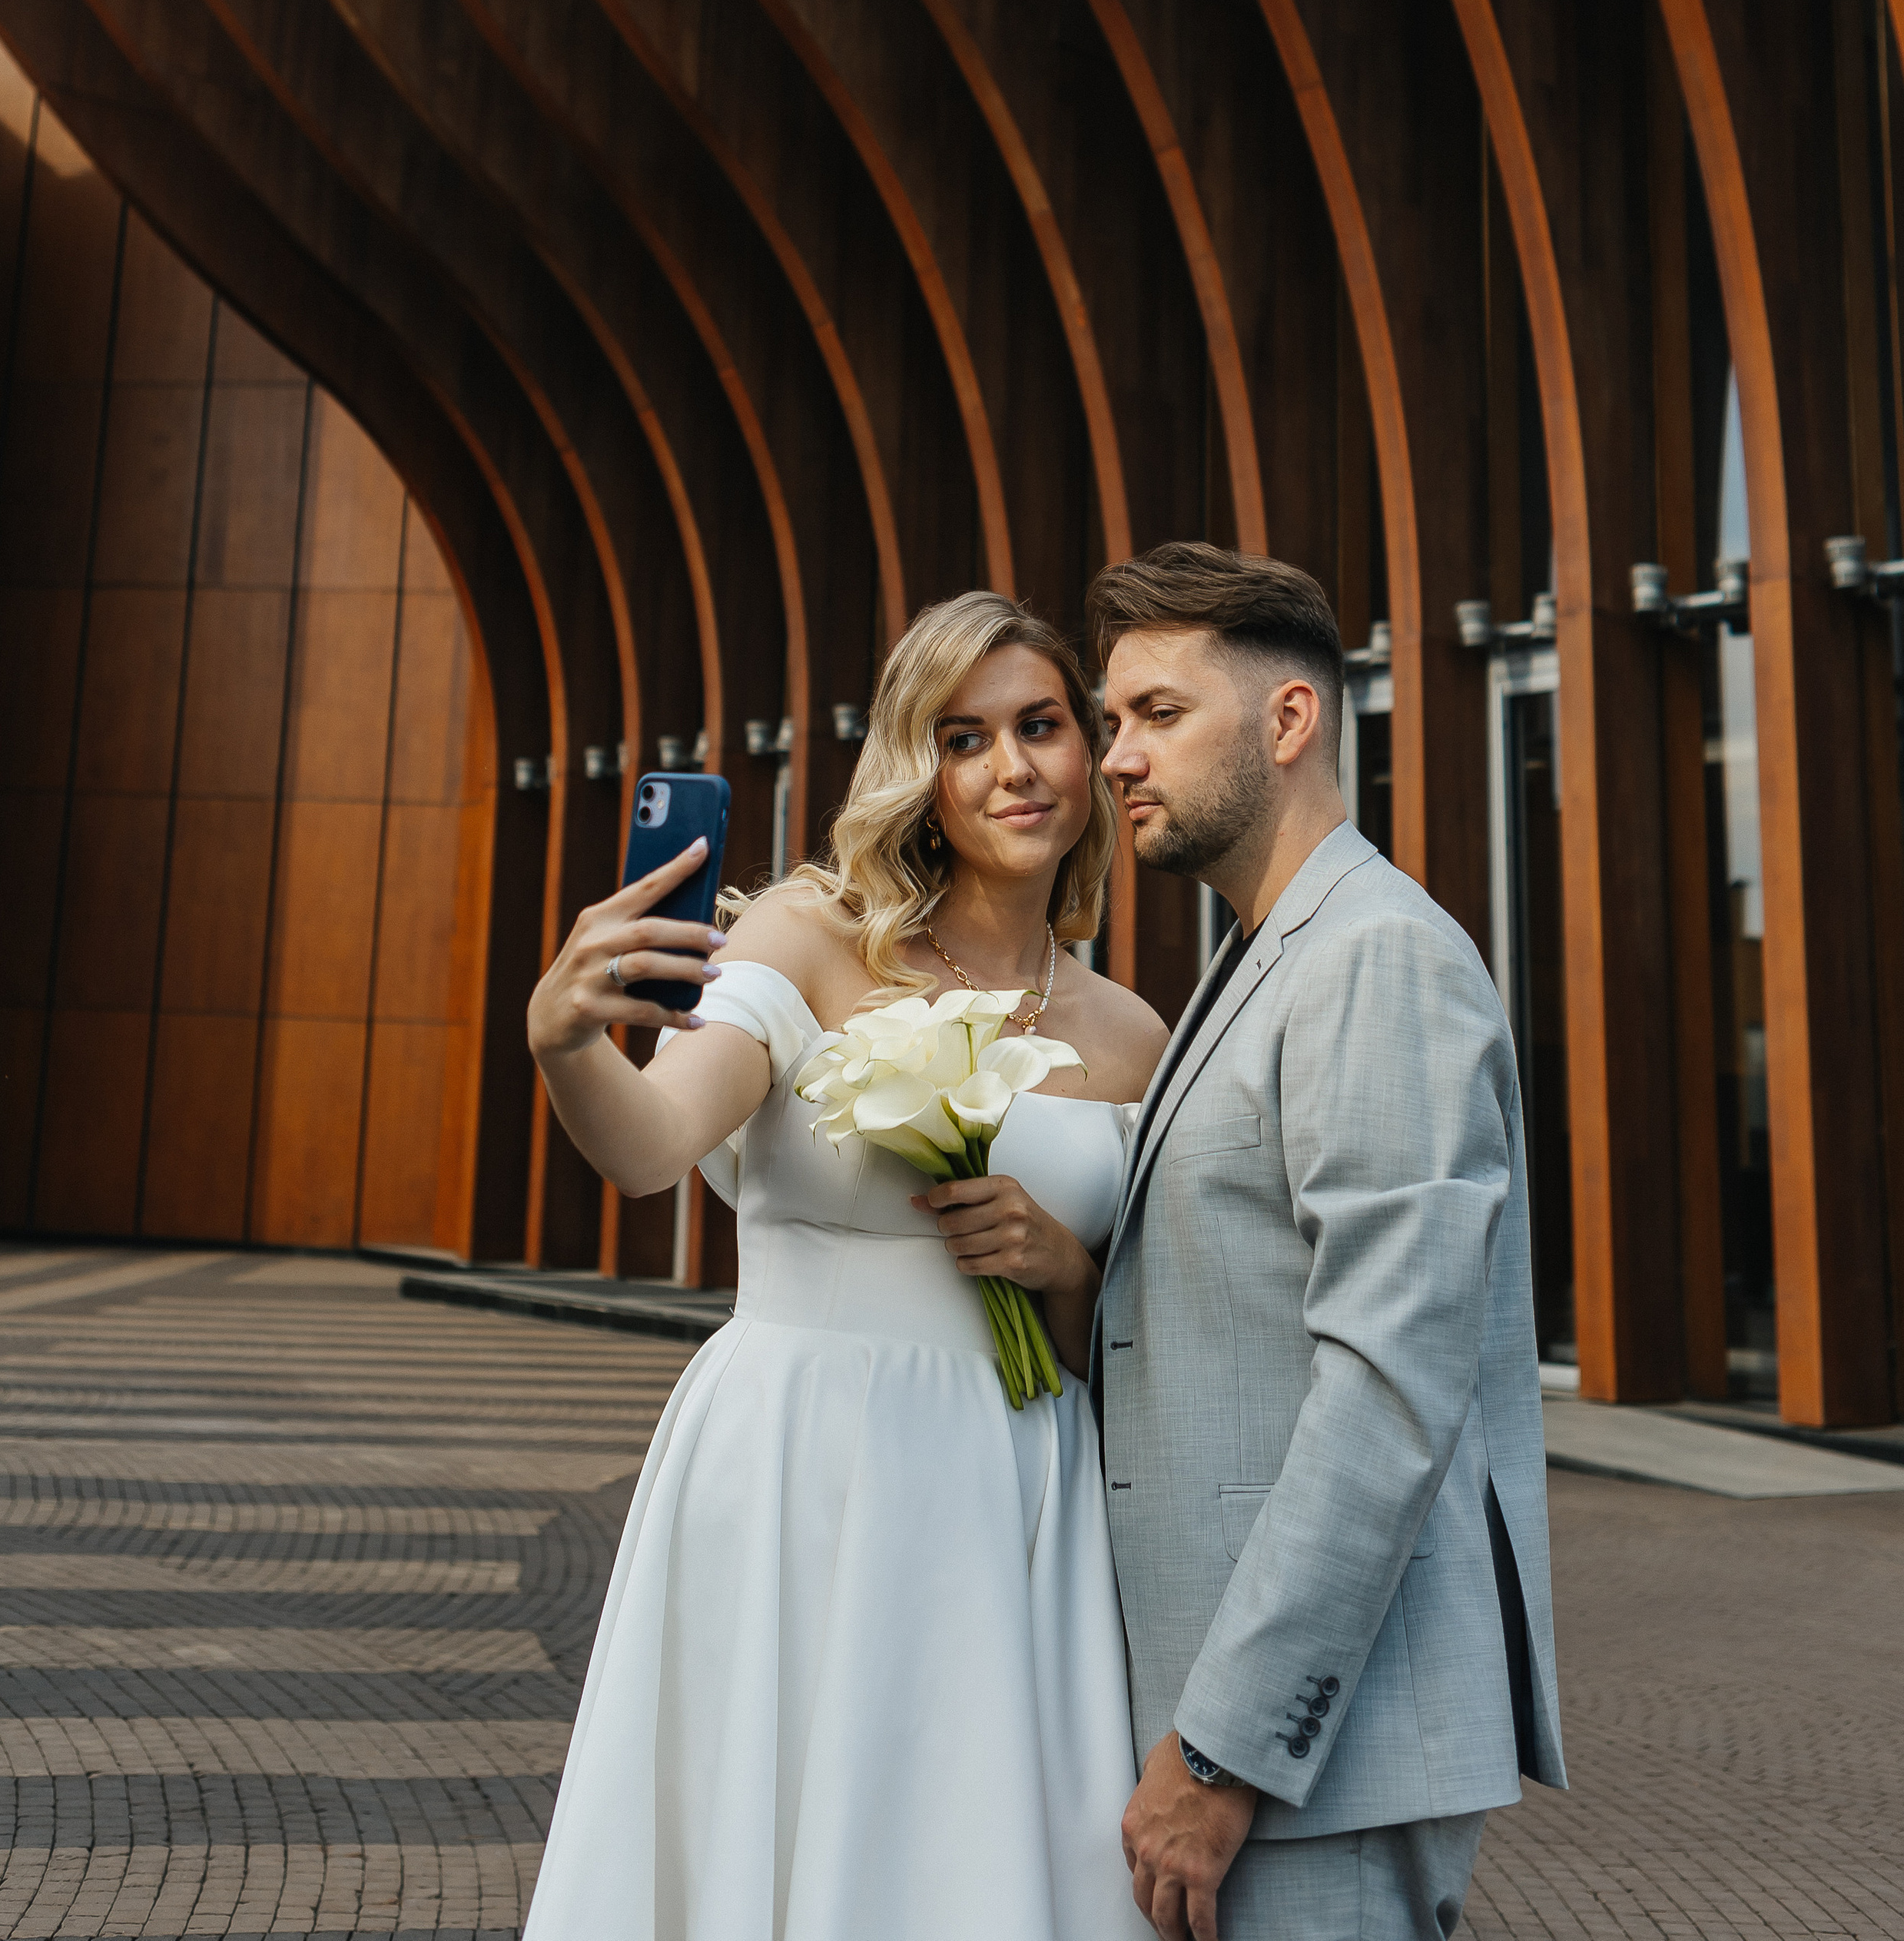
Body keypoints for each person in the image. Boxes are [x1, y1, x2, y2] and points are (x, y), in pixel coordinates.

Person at [522, 589, 1170, 1941]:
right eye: (964, 736)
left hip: (1014, 1494)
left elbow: (1152, 1336)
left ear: (1086, 754)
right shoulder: (806, 941)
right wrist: (568, 1044)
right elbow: (649, 1148)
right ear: (915, 771)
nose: (1012, 767)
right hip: (800, 1467)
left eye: (1041, 725)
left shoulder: (1132, 1033)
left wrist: (1061, 1268)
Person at [1090, 542, 1565, 1941]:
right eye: (1114, 719)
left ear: (1288, 720)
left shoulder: (1377, 960)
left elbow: (1389, 1392)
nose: (1119, 757)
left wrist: (1224, 1745)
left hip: (1314, 1766)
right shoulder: (1262, 955)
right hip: (1265, 1758)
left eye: (1159, 714)